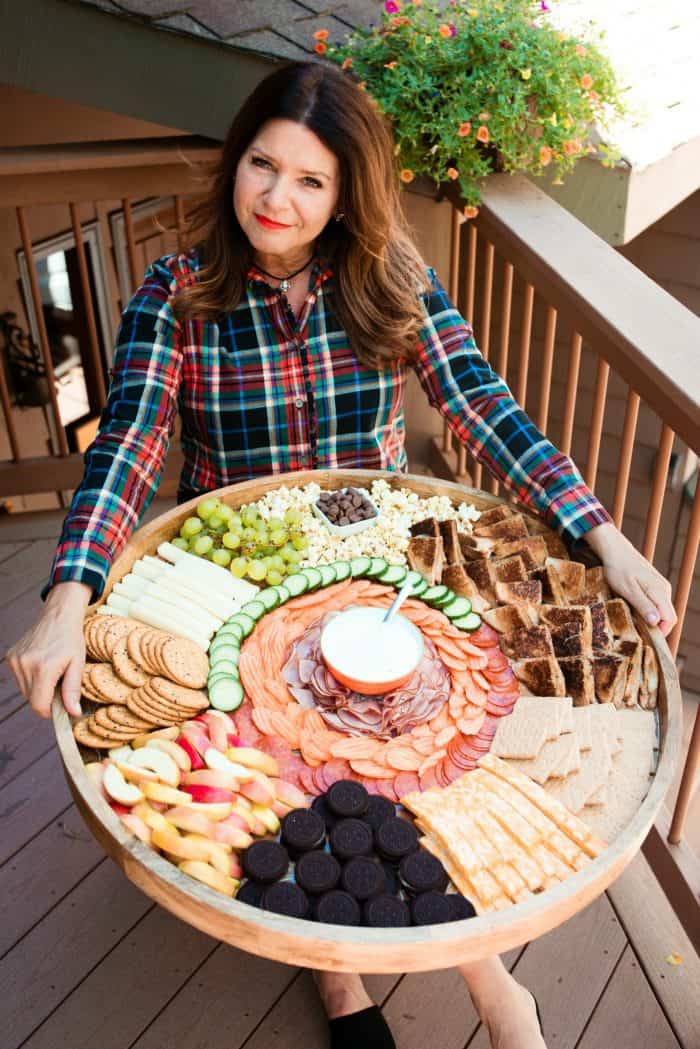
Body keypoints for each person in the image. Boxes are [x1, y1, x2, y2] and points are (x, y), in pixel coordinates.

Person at [7, 62, 676, 1049]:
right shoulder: (179, 287)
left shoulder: (389, 277)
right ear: (236, 161)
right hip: (247, 575)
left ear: (346, 192)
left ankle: (496, 995)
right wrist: (71, 591)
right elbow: (130, 441)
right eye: (261, 164)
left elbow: (483, 407)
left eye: (310, 180)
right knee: (294, 775)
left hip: (377, 562)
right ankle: (341, 977)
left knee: (418, 766)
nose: (276, 197)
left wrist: (603, 536)